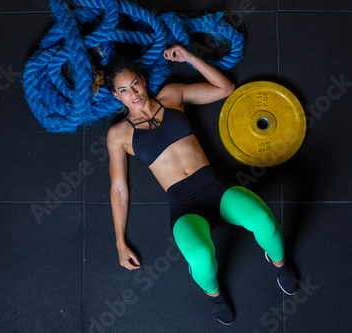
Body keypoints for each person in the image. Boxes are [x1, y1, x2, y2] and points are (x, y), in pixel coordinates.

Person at [104, 45, 298, 325]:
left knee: (265, 221)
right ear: (116, 96)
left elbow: (225, 88)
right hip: (184, 205)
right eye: (124, 90)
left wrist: (190, 58)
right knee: (201, 257)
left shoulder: (171, 96)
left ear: (143, 80)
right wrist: (120, 243)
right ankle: (214, 295)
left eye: (135, 84)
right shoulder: (118, 134)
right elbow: (119, 189)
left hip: (216, 188)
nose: (133, 94)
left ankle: (280, 265)